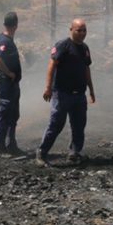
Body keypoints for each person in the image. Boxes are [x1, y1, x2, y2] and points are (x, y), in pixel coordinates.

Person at [37, 18, 96, 166]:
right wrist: (48, 88)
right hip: (62, 93)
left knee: (79, 125)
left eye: (84, 30)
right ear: (71, 30)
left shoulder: (84, 48)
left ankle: (74, 153)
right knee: (56, 124)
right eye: (79, 30)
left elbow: (86, 68)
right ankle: (42, 153)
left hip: (79, 94)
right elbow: (52, 65)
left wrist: (91, 89)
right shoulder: (63, 45)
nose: (82, 33)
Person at [0, 12, 24, 156]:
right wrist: (9, 73)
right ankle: (1, 148)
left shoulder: (8, 40)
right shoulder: (4, 42)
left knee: (13, 114)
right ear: (15, 26)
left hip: (13, 85)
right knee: (5, 114)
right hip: (7, 84)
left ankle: (11, 144)